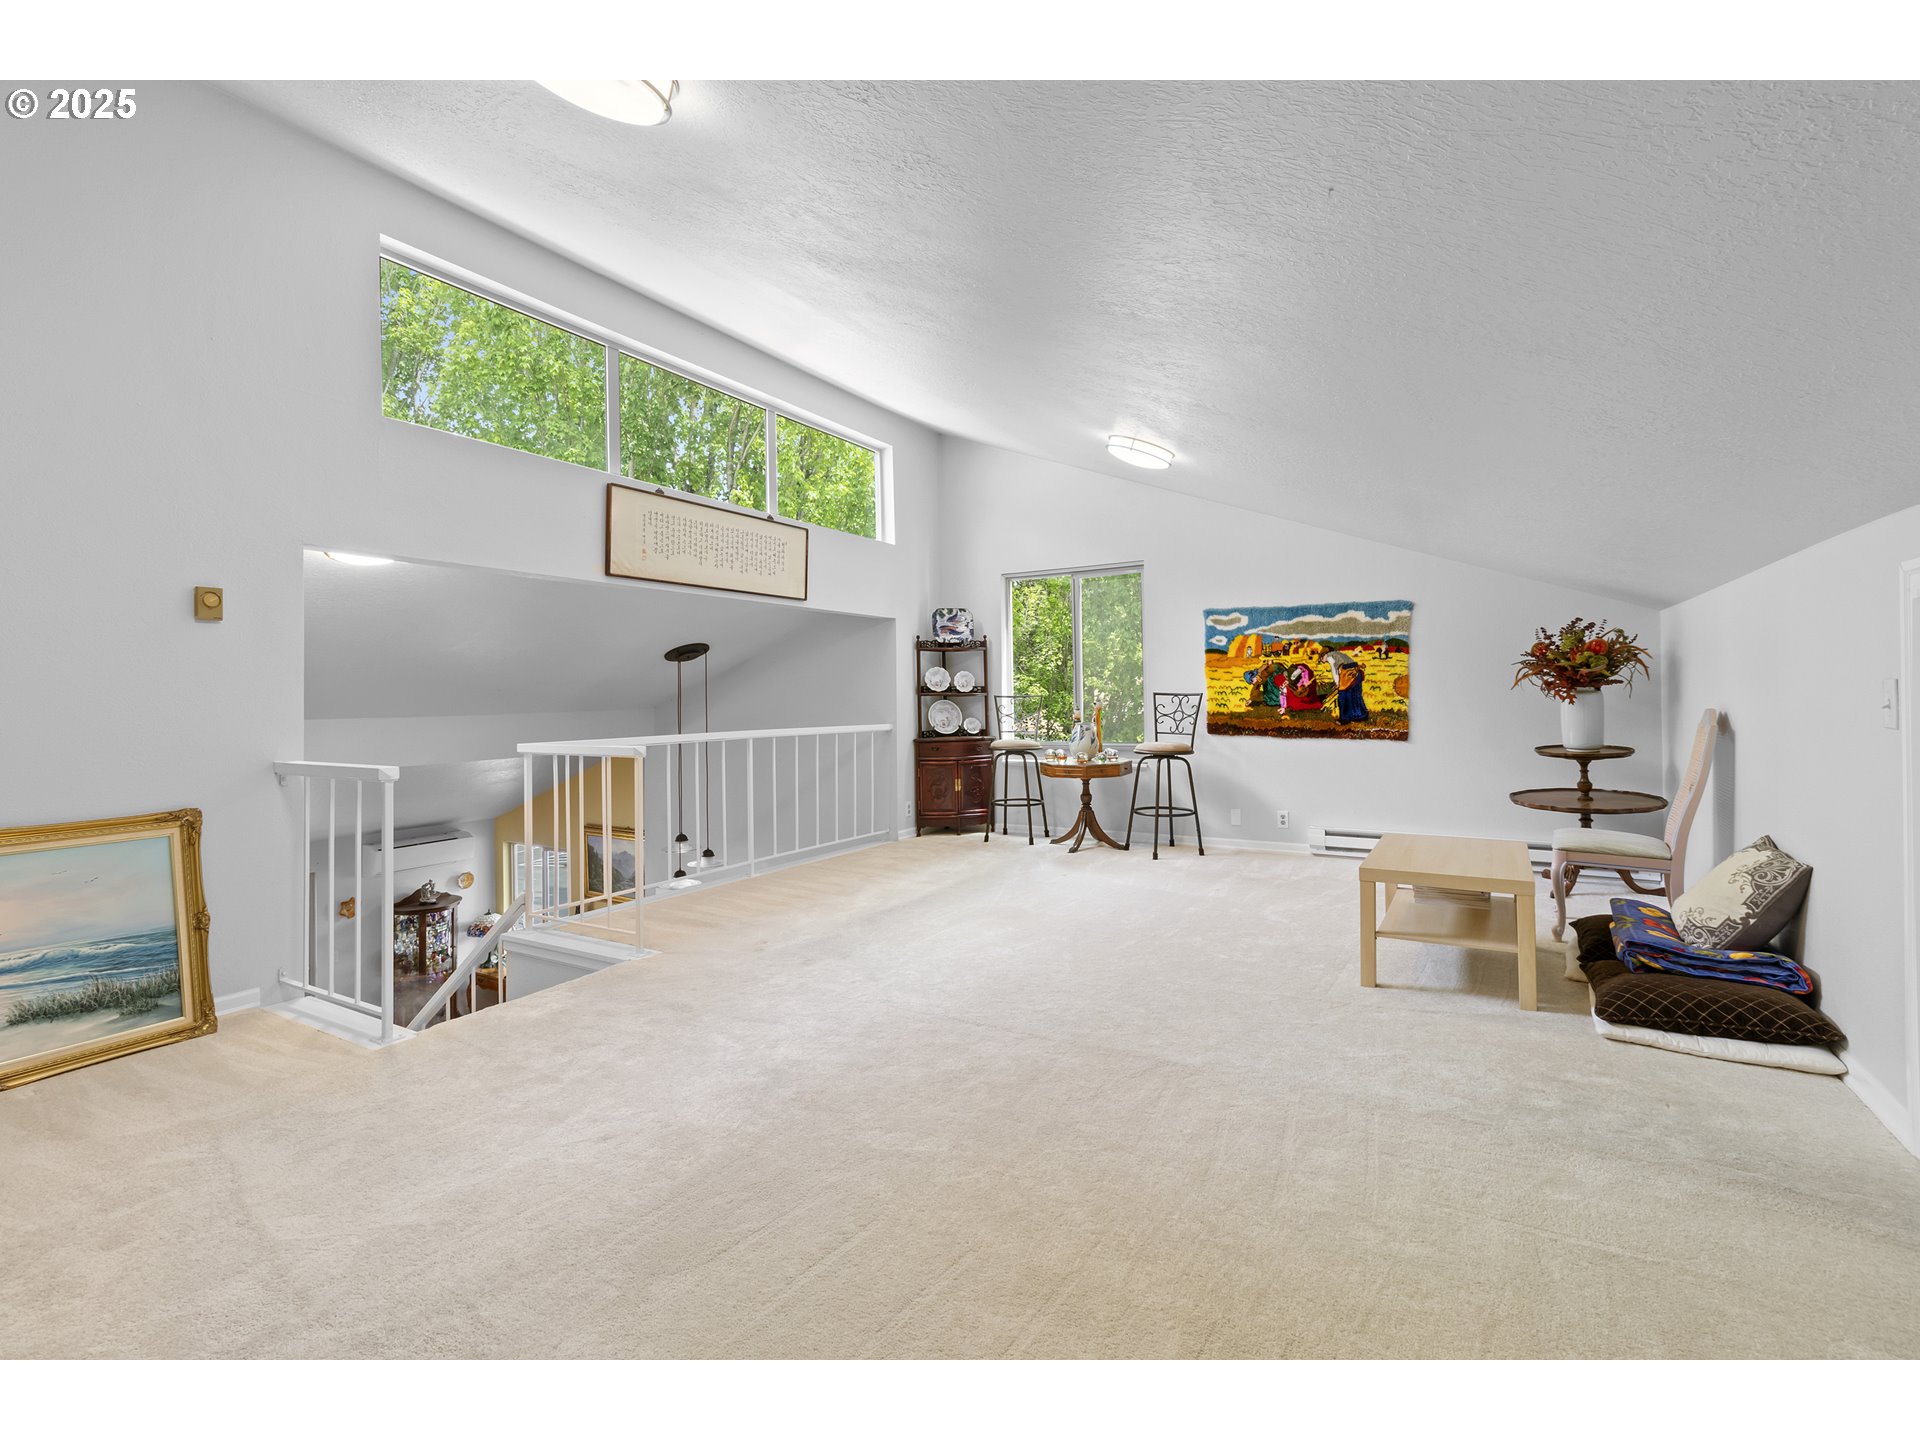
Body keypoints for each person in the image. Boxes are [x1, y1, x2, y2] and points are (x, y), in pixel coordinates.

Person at [1327, 651, 1370, 725]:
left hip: (1347, 677)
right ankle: (1361, 716)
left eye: (1321, 659)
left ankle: (1345, 719)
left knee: (1343, 698)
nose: (1322, 661)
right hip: (1356, 674)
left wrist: (1338, 684)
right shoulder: (1340, 654)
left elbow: (1336, 671)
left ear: (1324, 655)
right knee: (1356, 696)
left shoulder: (1330, 657)